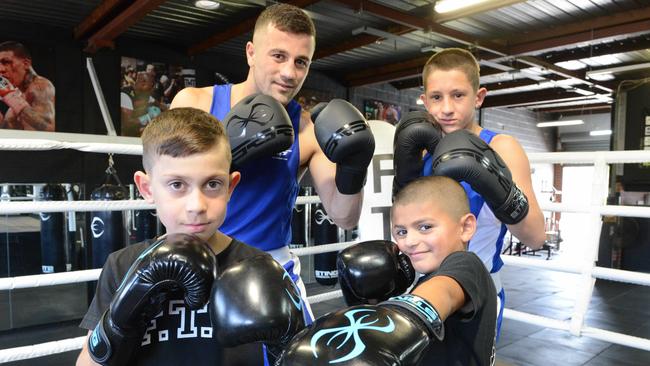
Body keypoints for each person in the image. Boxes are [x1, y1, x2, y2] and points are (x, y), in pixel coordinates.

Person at [171, 3, 374, 322]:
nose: (289, 73)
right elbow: (171, 187)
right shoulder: (195, 103)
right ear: (251, 53)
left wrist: (355, 165)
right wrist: (228, 149)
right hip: (198, 261)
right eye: (278, 56)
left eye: (301, 62)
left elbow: (345, 217)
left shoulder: (307, 129)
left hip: (272, 267)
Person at [76, 108, 304, 365]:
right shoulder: (122, 265)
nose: (196, 205)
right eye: (177, 185)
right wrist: (118, 321)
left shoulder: (258, 268)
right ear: (146, 188)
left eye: (212, 184)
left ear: (231, 187)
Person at [393, 47, 546, 337]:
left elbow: (536, 237)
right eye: (437, 97)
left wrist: (494, 185)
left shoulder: (501, 147)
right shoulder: (418, 148)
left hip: (476, 292)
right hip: (418, 291)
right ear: (424, 100)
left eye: (458, 95)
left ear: (479, 97)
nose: (447, 108)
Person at [280, 176, 497, 365]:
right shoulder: (429, 275)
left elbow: (443, 293)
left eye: (425, 227)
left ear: (466, 227)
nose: (410, 241)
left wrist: (395, 319)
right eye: (401, 231)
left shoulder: (467, 265)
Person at [0, 41, 55, 131]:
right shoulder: (18, 94)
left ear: (26, 64)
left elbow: (48, 129)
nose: (1, 69)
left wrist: (10, 96)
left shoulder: (40, 86)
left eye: (6, 62)